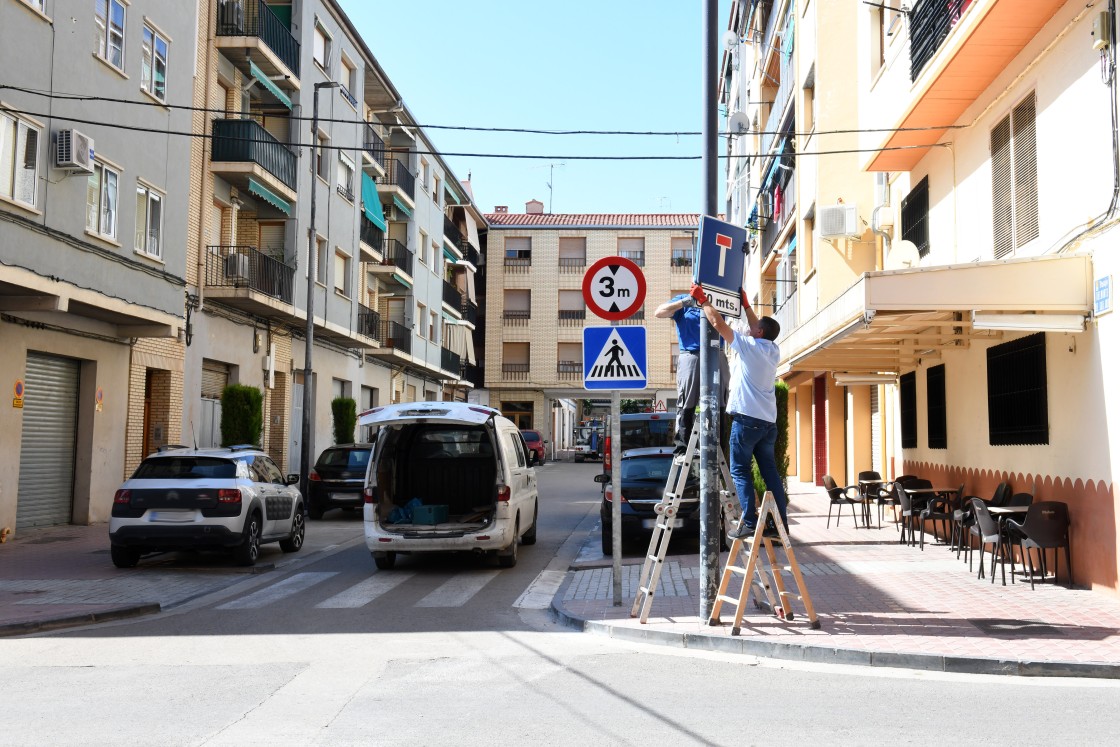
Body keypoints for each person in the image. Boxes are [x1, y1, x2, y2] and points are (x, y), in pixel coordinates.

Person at [690, 282, 785, 539]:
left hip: (747, 420)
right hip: (768, 423)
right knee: (770, 472)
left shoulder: (749, 346)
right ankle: (780, 523)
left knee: (740, 470)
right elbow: (758, 326)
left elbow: (720, 326)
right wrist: (745, 304)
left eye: (754, 327)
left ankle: (751, 523)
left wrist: (703, 301)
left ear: (758, 332)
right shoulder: (772, 349)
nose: (750, 327)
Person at [653, 292, 730, 453]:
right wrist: (684, 303)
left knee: (721, 401)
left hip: (717, 352)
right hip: (691, 354)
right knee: (687, 400)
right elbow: (659, 312)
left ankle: (720, 448)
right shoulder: (684, 300)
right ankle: (682, 447)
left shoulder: (719, 298)